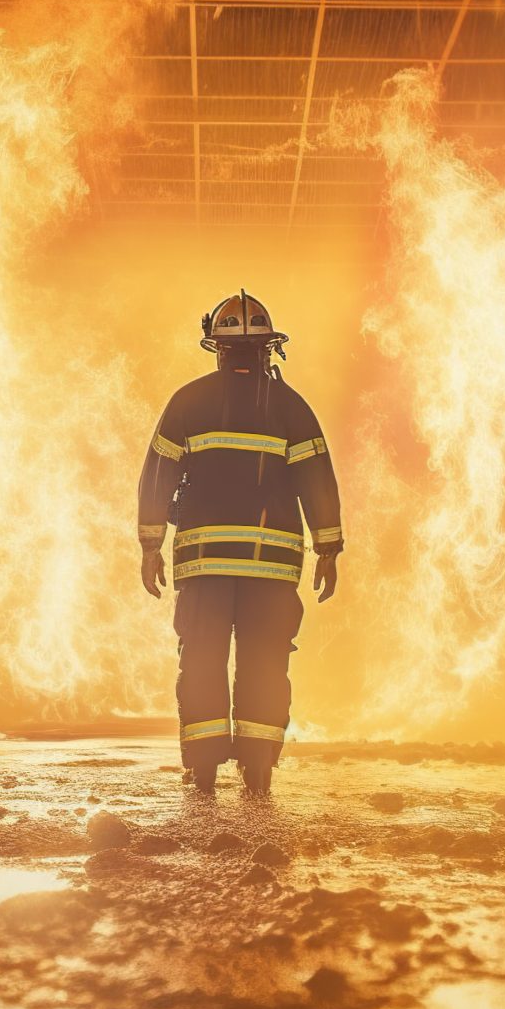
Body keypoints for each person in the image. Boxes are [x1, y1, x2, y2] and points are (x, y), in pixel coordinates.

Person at [136, 291, 344, 796]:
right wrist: (328, 549)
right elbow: (318, 479)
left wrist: (149, 543)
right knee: (266, 663)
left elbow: (158, 475)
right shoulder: (292, 408)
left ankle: (203, 773)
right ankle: (259, 772)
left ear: (217, 348)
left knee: (203, 659)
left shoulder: (188, 402)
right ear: (269, 348)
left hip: (203, 564)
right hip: (272, 568)